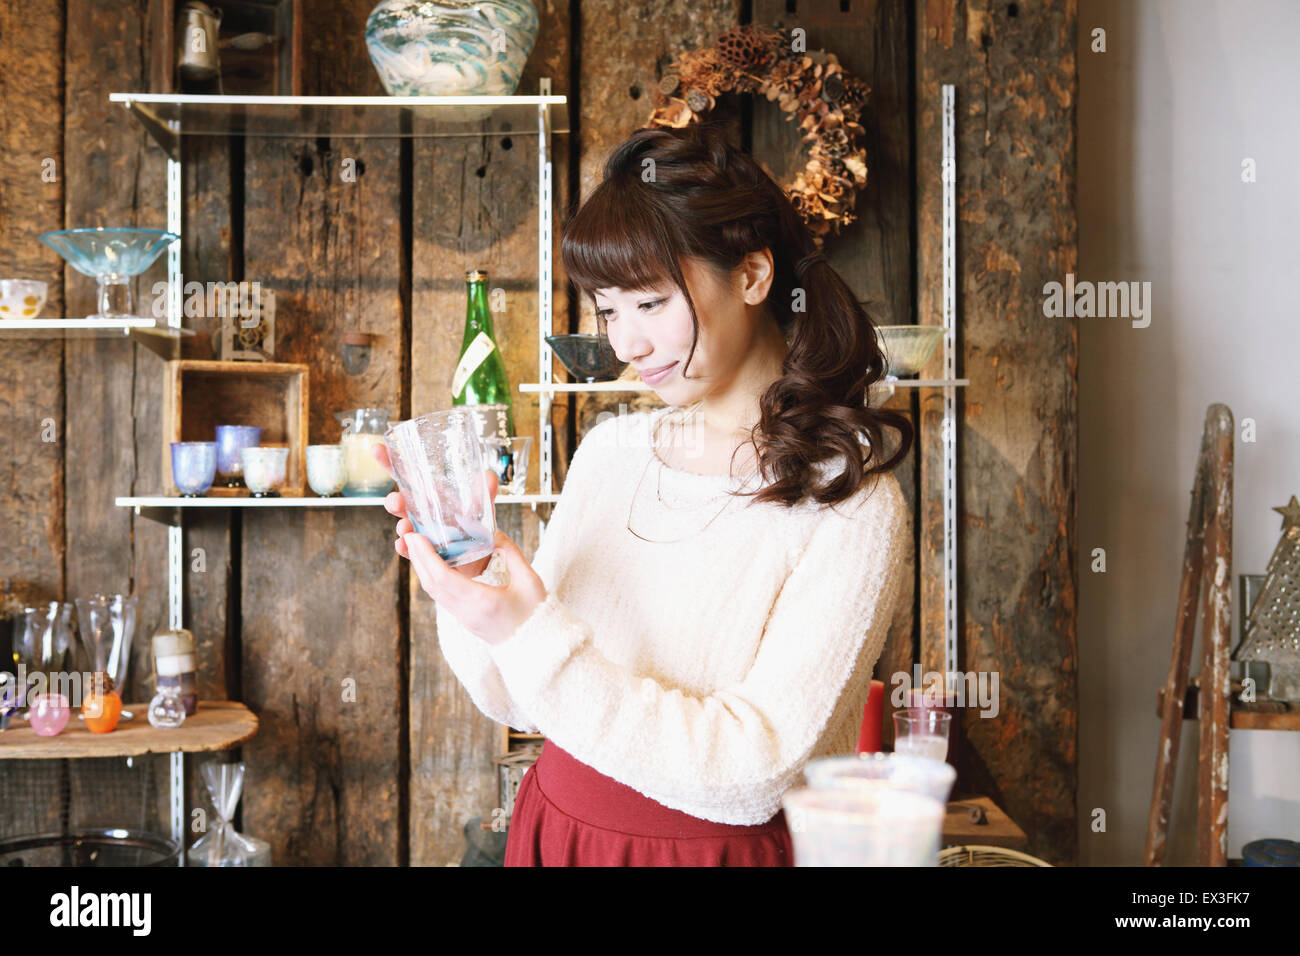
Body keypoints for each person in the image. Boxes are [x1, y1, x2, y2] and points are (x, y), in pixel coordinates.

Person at [378, 122, 915, 866]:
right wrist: (475, 585)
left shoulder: (850, 501)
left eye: (650, 303)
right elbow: (519, 698)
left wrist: (531, 633)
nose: (625, 344)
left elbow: (754, 771)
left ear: (754, 276)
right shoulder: (610, 455)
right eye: (606, 309)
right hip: (555, 832)